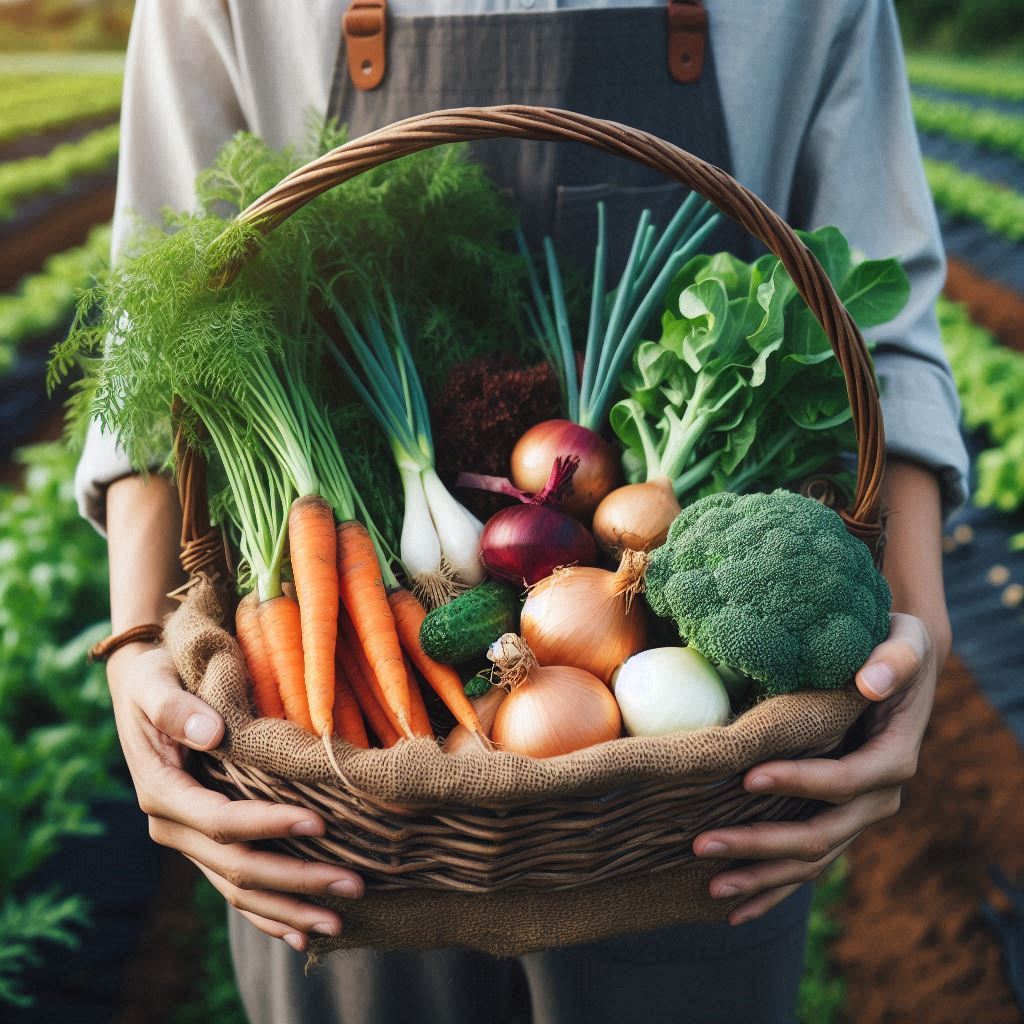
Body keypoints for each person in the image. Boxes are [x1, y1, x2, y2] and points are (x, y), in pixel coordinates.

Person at [76, 1, 968, 1021]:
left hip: (696, 826)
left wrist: (920, 621)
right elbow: (160, 321)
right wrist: (143, 634)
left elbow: (878, 328)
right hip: (340, 825)